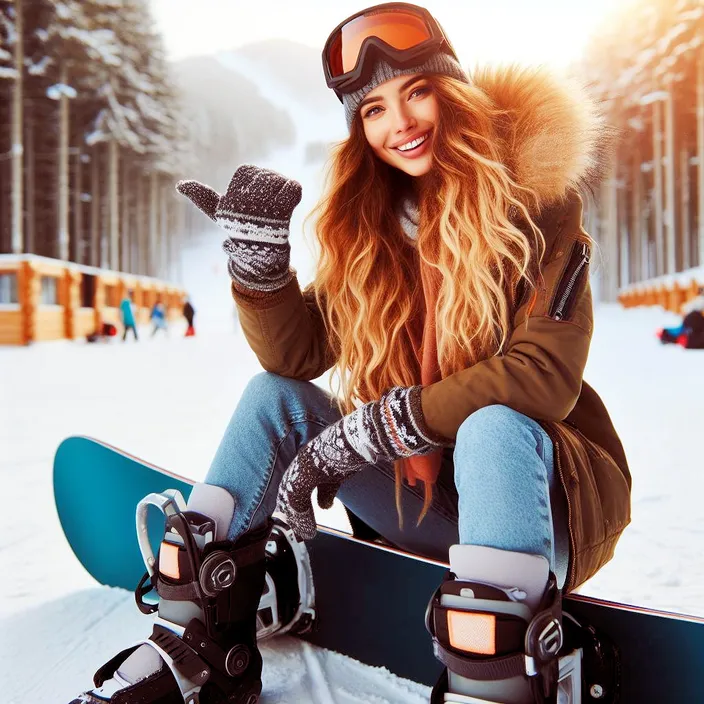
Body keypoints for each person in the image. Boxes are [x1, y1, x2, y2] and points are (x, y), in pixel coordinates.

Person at [71, 4, 631, 703]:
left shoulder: (539, 205)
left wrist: (384, 426)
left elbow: (544, 376)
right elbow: (296, 356)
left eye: (416, 91)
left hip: (542, 506)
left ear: (451, 91)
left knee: (492, 424)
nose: (400, 122)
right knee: (270, 399)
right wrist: (261, 273)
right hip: (423, 503)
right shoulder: (375, 231)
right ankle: (198, 641)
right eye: (372, 109)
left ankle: (495, 683)